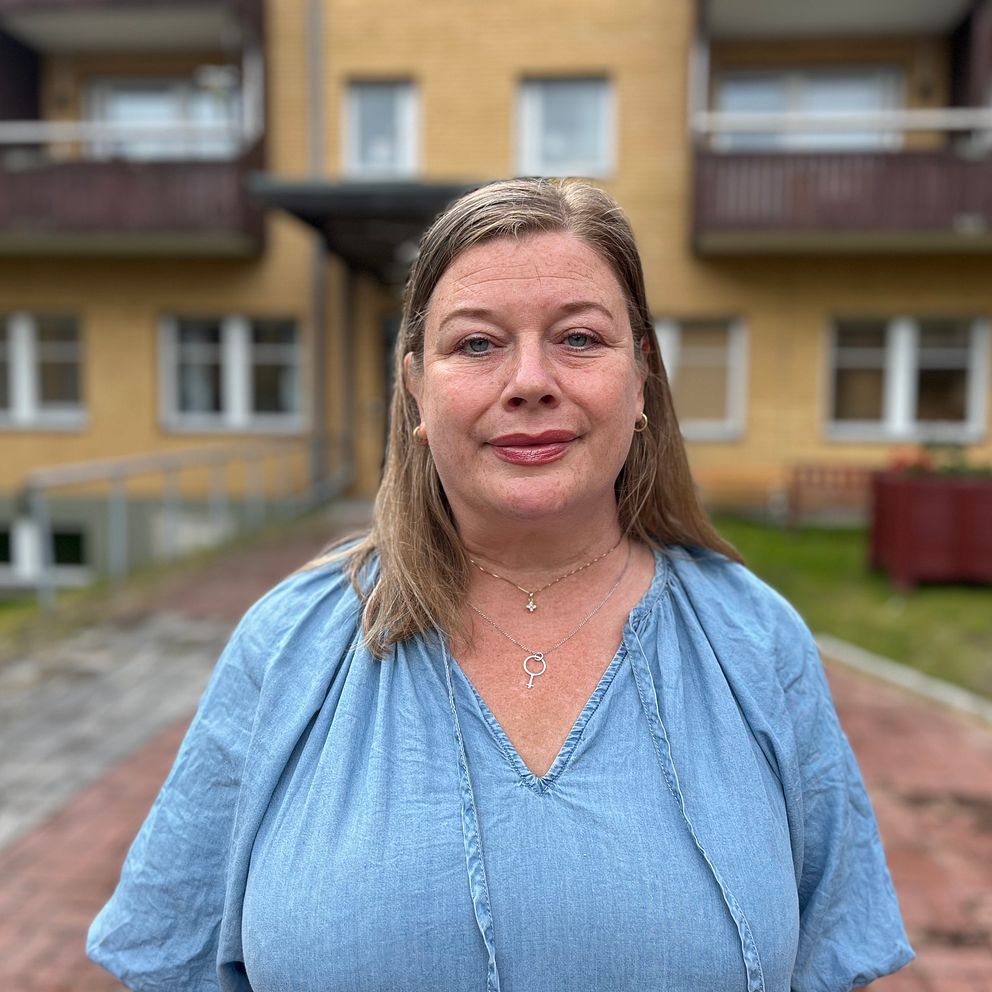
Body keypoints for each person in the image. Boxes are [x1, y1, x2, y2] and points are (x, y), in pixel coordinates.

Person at [88, 178, 914, 992]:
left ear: (641, 377)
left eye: (579, 338)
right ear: (416, 387)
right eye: (478, 344)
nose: (529, 381)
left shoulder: (754, 641)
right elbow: (173, 962)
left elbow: (831, 966)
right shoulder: (289, 646)